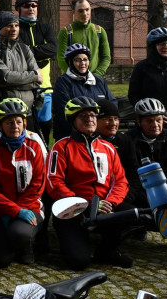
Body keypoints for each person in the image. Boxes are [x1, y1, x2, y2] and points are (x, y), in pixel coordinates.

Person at [46, 96, 133, 270]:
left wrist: (110, 202)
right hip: (72, 211)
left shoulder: (107, 148)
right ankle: (78, 240)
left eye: (93, 115)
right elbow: (54, 182)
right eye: (83, 116)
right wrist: (82, 205)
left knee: (130, 213)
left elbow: (121, 180)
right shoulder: (61, 147)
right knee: (79, 262)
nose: (90, 119)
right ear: (73, 121)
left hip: (103, 206)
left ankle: (106, 251)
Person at [0, 98, 46, 266]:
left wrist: (20, 211)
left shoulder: (35, 144)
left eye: (19, 121)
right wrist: (12, 211)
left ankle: (27, 245)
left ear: (25, 124)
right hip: (2, 209)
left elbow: (39, 183)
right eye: (9, 122)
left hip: (30, 206)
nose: (15, 126)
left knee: (19, 233)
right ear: (0, 126)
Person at [125, 97, 167, 253]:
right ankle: (137, 227)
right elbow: (128, 170)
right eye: (149, 121)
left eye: (159, 120)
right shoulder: (128, 140)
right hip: (139, 186)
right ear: (139, 121)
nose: (155, 125)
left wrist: (163, 184)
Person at [52, 43, 116, 141]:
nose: (82, 63)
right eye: (77, 60)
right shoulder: (63, 82)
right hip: (71, 136)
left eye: (85, 59)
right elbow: (63, 110)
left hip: (99, 134)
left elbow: (112, 104)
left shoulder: (99, 81)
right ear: (70, 62)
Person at [0, 11, 40, 109]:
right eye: (9, 25)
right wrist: (33, 76)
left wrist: (7, 84)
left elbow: (38, 81)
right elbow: (7, 77)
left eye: (16, 25)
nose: (14, 29)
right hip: (4, 111)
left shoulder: (25, 48)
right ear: (0, 28)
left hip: (27, 110)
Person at [57, 0, 111, 76]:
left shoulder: (100, 31)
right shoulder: (65, 32)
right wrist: (75, 76)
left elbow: (106, 57)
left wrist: (96, 75)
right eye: (80, 11)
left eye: (87, 9)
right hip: (73, 81)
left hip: (94, 80)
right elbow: (61, 59)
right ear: (73, 12)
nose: (85, 13)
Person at [14, 0, 56, 90]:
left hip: (44, 86)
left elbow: (53, 49)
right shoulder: (15, 29)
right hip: (24, 85)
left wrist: (28, 49)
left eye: (34, 5)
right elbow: (18, 52)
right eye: (26, 6)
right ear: (18, 9)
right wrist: (43, 53)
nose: (31, 8)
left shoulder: (46, 28)